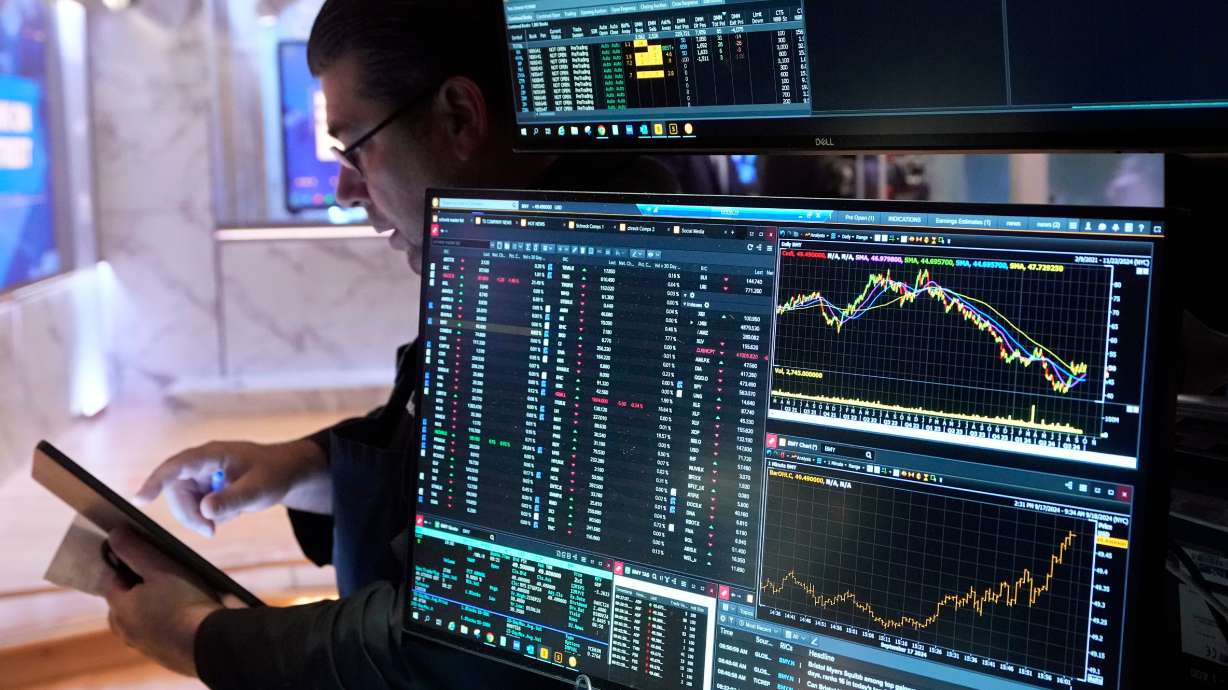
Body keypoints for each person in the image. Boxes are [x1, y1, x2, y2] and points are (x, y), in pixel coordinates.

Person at [101, 1, 678, 687]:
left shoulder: (593, 294)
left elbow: (457, 643)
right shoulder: (509, 261)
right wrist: (303, 468)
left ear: (460, 116)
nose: (346, 190)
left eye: (356, 147)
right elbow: (450, 468)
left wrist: (204, 639)